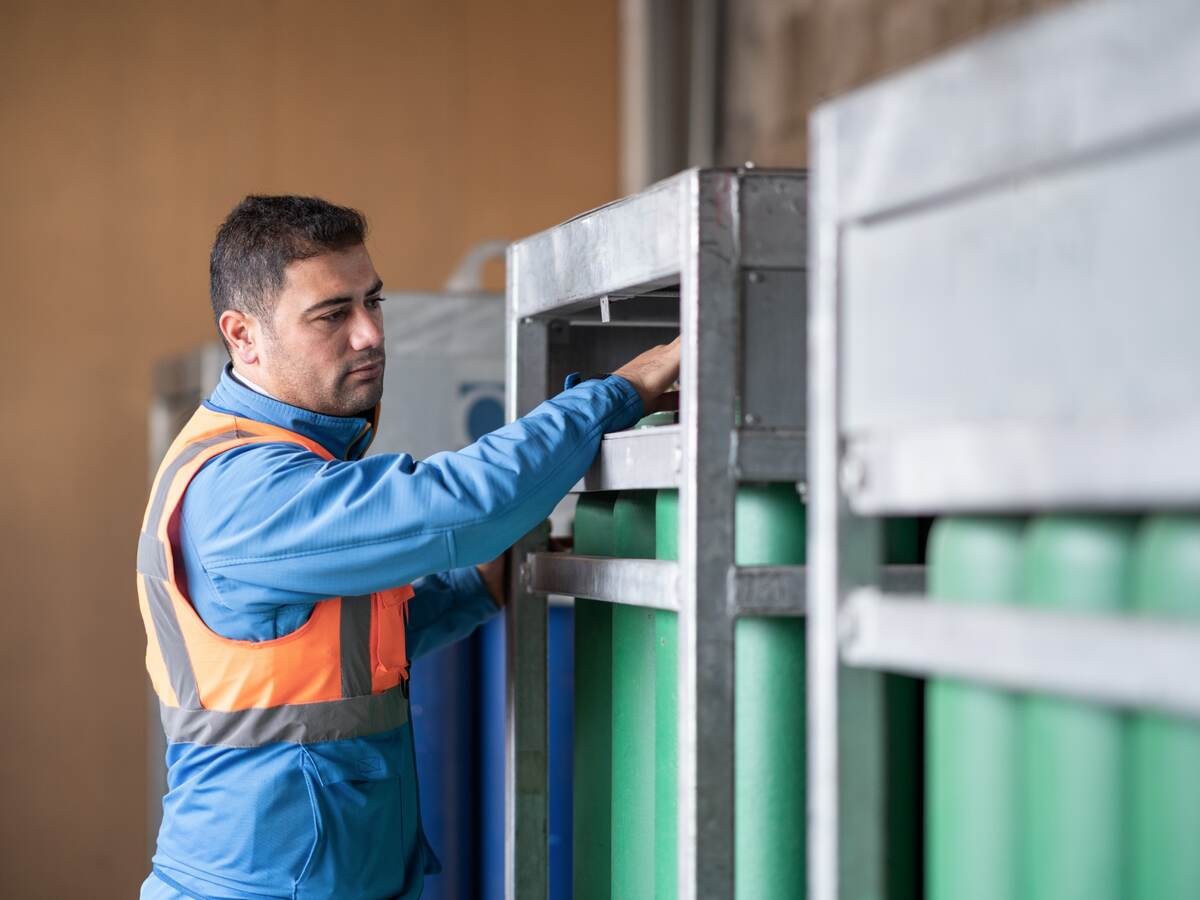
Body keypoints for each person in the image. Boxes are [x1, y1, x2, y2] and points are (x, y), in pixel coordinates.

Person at [136, 195, 680, 899]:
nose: (369, 334)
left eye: (374, 301)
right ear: (244, 336)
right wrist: (621, 392)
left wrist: (475, 588)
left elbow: (339, 653)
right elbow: (462, 505)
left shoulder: (290, 458)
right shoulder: (243, 488)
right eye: (332, 314)